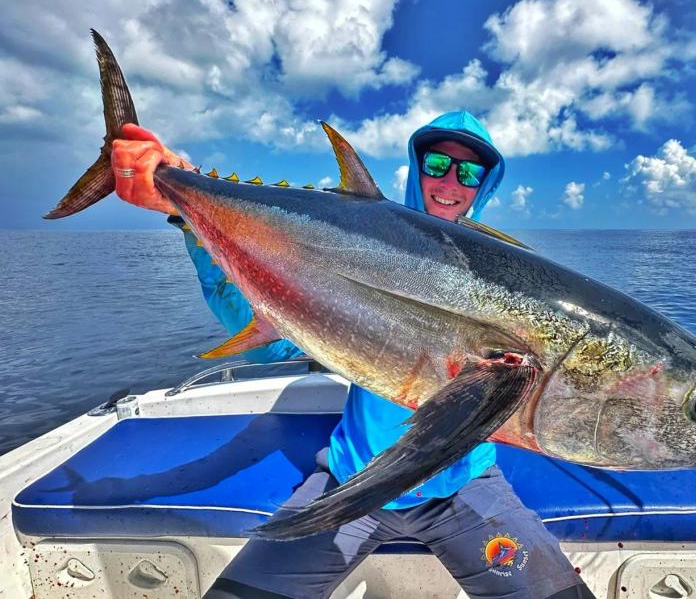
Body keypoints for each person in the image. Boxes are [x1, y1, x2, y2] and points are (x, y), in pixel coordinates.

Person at [112, 112, 595, 599]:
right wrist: (184, 209)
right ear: (416, 167)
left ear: (484, 185)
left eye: (469, 173)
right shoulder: (349, 254)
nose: (451, 181)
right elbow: (273, 342)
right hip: (353, 482)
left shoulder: (506, 283)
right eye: (438, 164)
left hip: (461, 487)